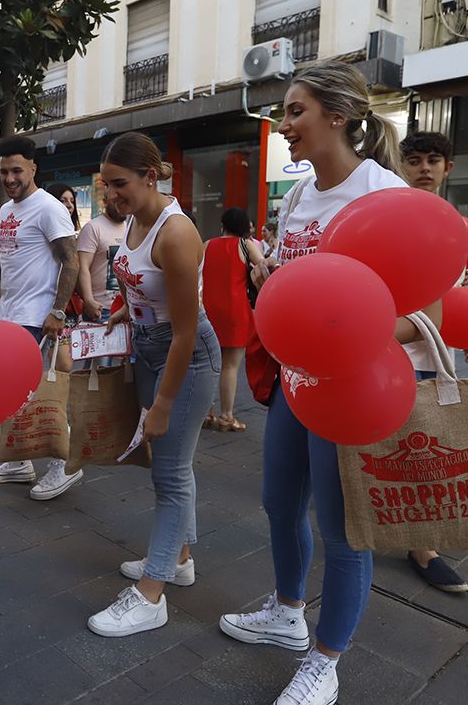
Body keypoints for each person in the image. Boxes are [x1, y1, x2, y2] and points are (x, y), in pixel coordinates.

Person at [220, 61, 438, 705]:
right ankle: (288, 613)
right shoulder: (296, 195)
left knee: (346, 531)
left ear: (337, 117)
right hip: (295, 380)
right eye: (283, 113)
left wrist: (350, 338)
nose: (283, 125)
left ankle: (326, 658)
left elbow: (432, 312)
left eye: (295, 112)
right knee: (279, 502)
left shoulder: (384, 194)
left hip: (352, 389)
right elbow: (296, 285)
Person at [83, 132, 219, 638]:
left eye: (120, 184)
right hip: (147, 346)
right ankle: (178, 558)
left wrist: (161, 404)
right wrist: (122, 312)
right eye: (105, 185)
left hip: (184, 354)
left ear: (151, 176)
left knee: (170, 474)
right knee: (170, 466)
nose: (111, 195)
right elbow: (142, 284)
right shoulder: (136, 220)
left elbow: (186, 330)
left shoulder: (176, 232)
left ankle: (152, 595)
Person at [397, 129, 468, 595]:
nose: (424, 169)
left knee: (426, 454)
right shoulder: (390, 216)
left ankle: (423, 547)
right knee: (381, 452)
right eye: (414, 160)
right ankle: (374, 522)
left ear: (447, 167)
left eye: (433, 160)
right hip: (389, 354)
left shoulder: (461, 229)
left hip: (436, 357)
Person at [0, 136, 81, 500]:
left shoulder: (48, 207)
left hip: (37, 318)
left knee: (43, 393)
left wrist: (58, 310)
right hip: (9, 315)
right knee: (14, 392)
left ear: (33, 168)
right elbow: (6, 258)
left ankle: (64, 465)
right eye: (4, 171)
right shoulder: (5, 211)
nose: (10, 178)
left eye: (17, 170)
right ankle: (19, 461)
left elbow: (71, 259)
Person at [201, 207, 265, 432]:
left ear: (224, 224)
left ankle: (206, 413)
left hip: (209, 310)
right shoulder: (244, 244)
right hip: (235, 311)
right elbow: (263, 266)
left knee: (208, 365)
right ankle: (226, 416)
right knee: (230, 366)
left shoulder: (207, 244)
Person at [76, 186, 126, 323]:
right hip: (100, 309)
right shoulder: (93, 228)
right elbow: (82, 267)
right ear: (105, 202)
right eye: (115, 201)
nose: (121, 205)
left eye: (124, 201)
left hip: (125, 308)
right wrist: (88, 300)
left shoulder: (131, 228)